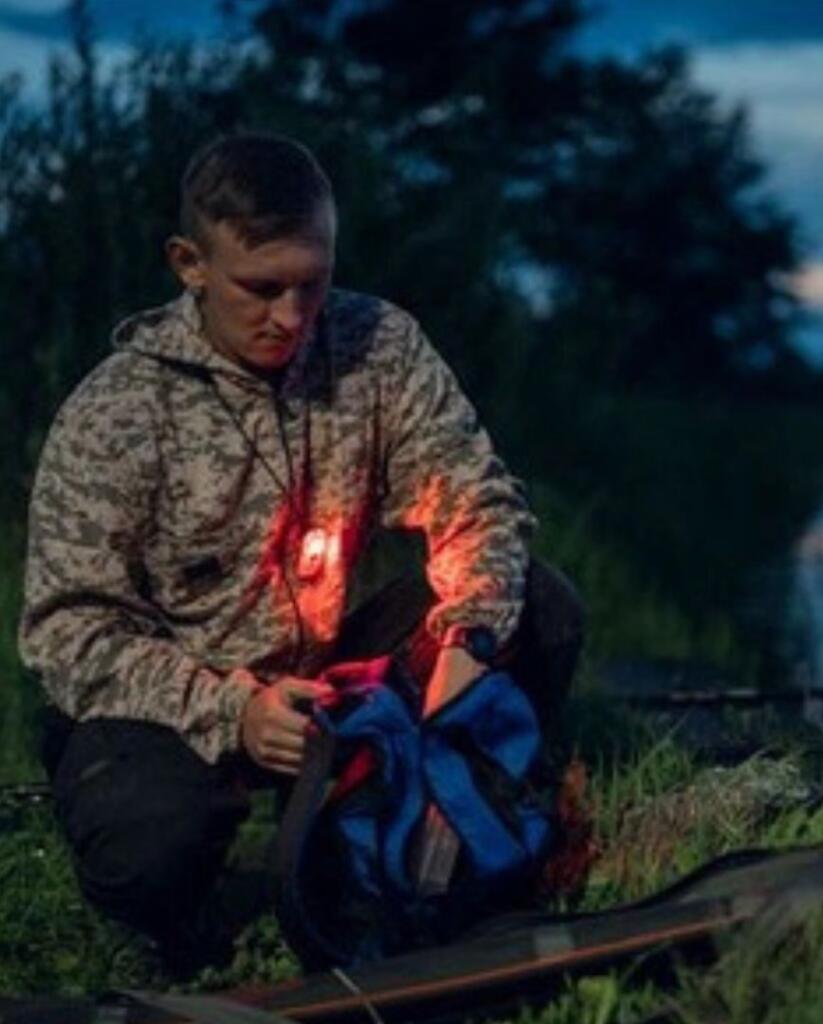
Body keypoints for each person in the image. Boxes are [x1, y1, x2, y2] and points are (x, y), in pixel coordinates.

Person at [18, 132, 583, 969]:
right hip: (180, 710)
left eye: (311, 284)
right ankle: (226, 898)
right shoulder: (116, 414)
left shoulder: (377, 346)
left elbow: (480, 499)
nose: (290, 317)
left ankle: (429, 820)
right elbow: (67, 634)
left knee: (540, 604)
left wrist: (467, 636)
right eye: (261, 288)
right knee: (145, 845)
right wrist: (234, 713)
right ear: (189, 264)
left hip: (332, 678)